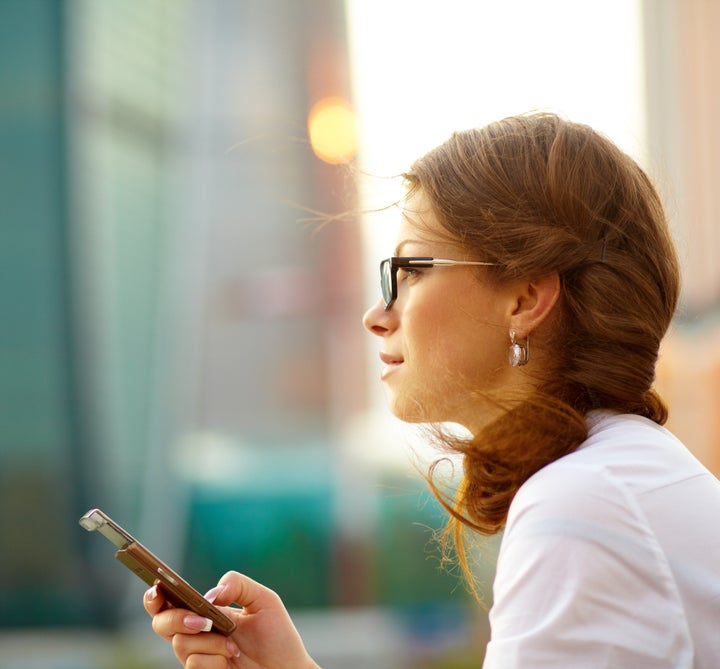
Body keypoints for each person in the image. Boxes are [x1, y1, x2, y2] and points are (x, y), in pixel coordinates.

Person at [144, 112, 720, 668]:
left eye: (412, 270)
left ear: (524, 300)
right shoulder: (618, 474)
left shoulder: (582, 501)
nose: (377, 314)